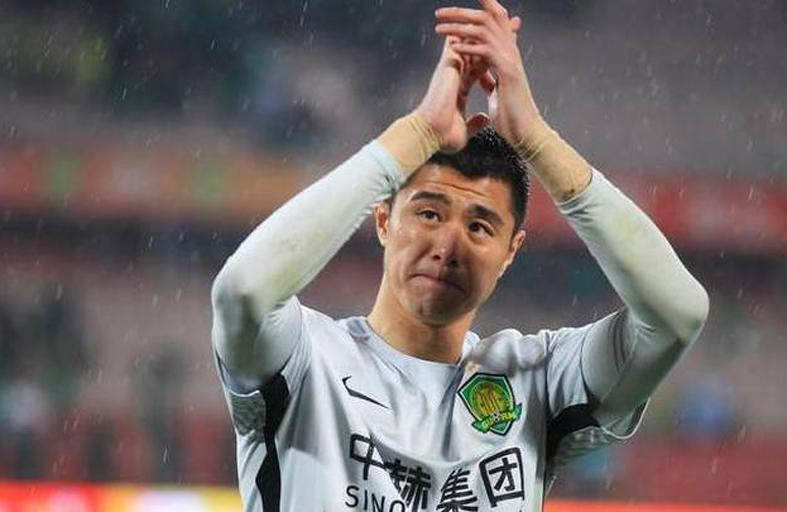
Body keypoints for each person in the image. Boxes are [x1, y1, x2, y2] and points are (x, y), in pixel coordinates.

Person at [210, 1, 709, 510]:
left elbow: (677, 314)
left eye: (479, 226)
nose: (448, 246)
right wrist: (419, 131)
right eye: (428, 213)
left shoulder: (536, 381)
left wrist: (536, 139)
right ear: (383, 220)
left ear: (511, 252)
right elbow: (242, 290)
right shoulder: (304, 360)